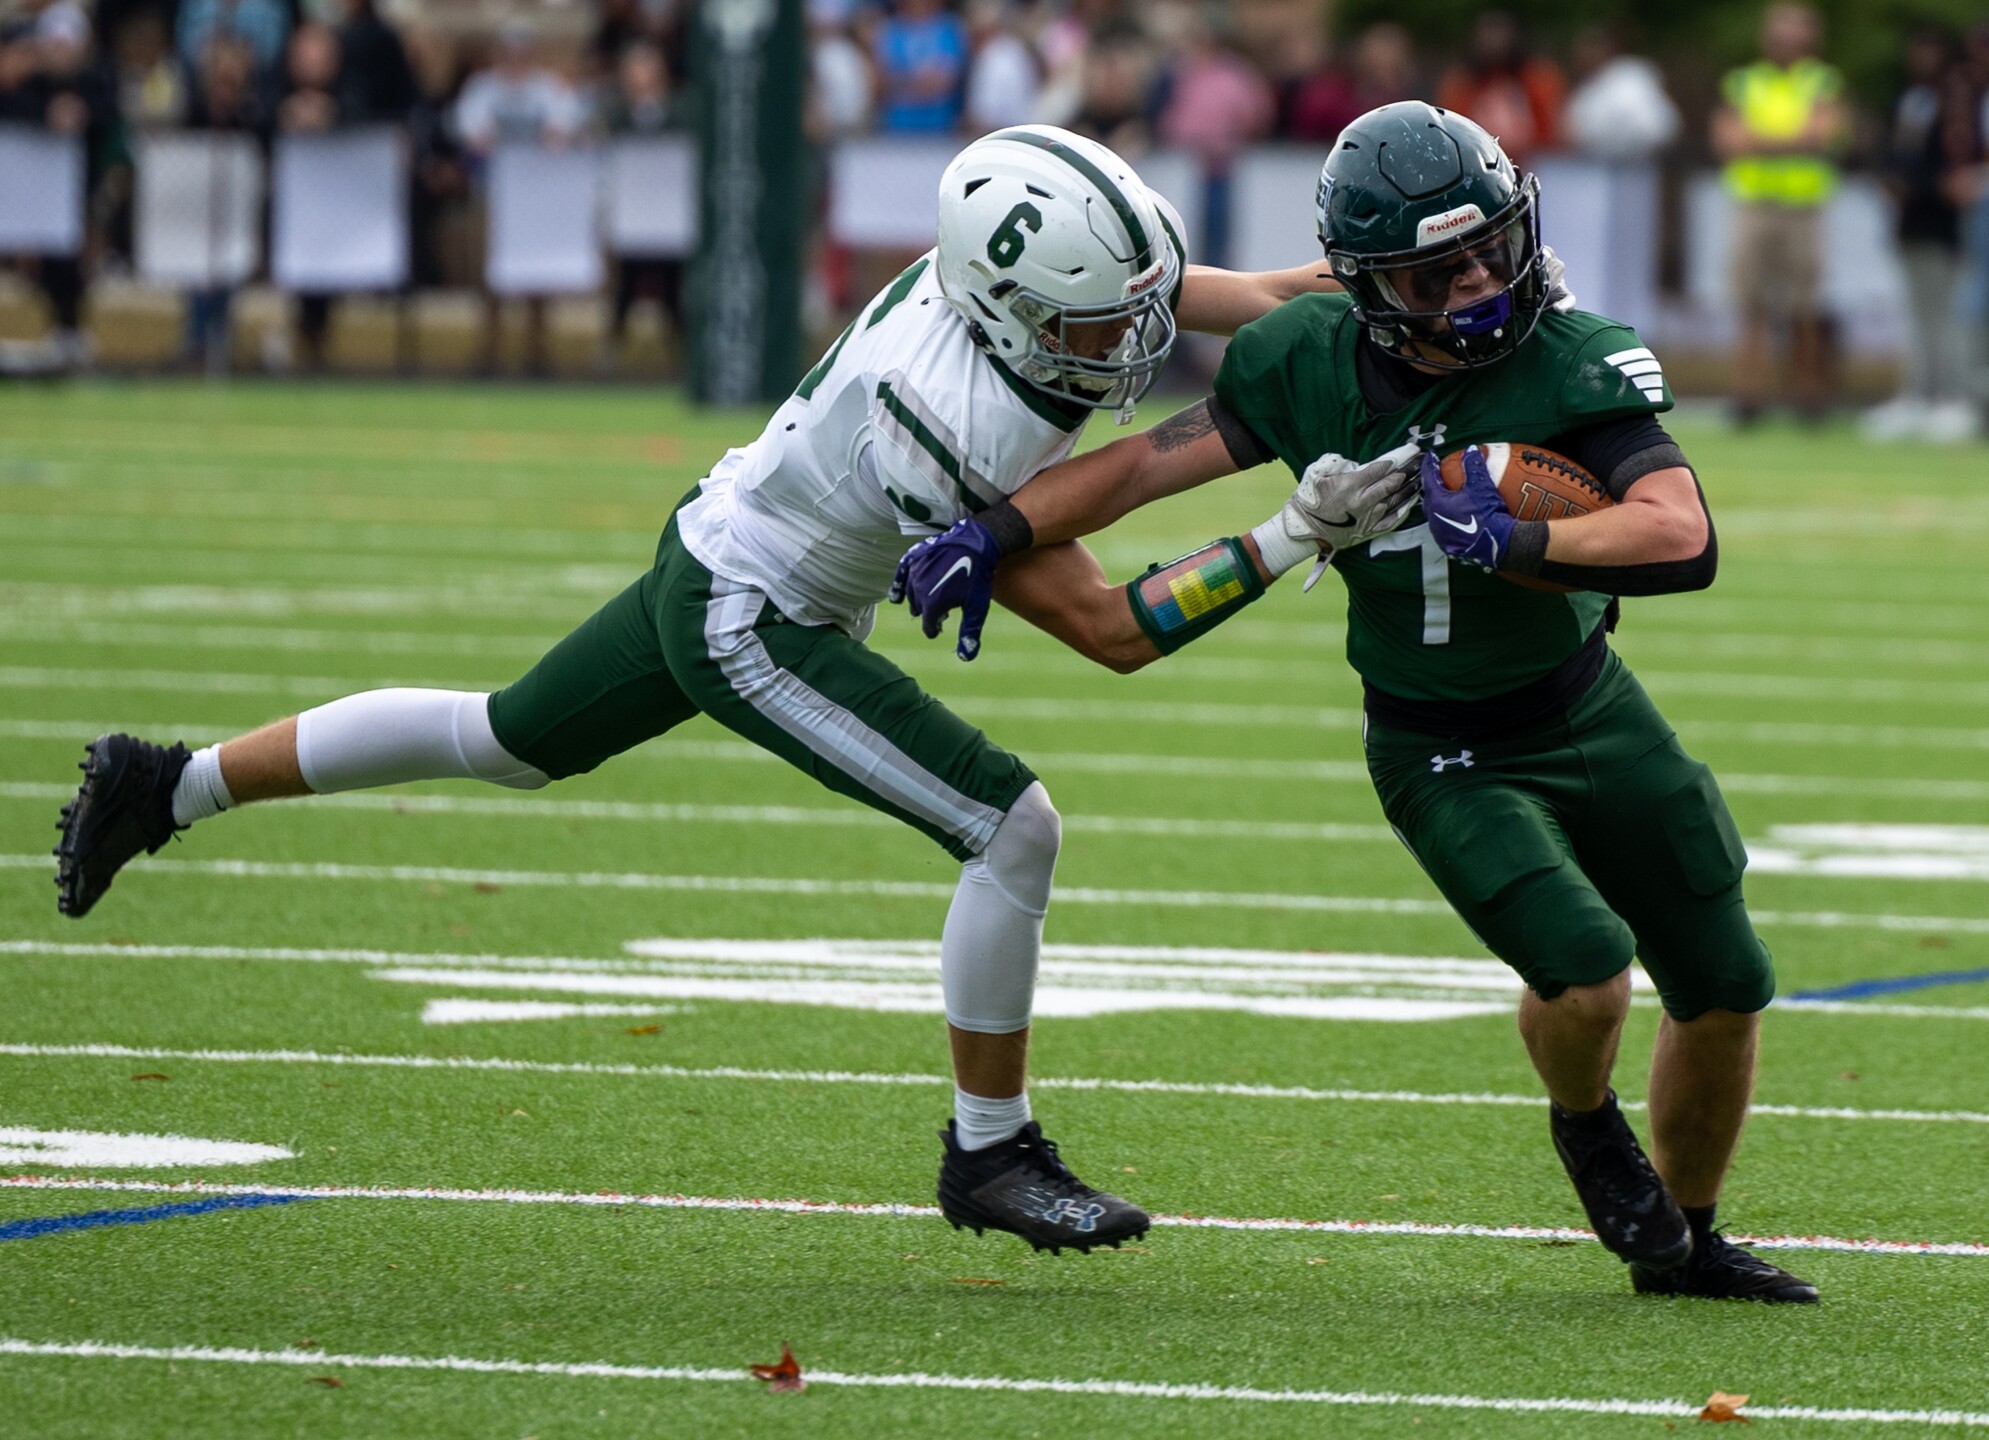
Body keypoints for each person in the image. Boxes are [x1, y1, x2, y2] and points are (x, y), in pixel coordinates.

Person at [52, 124, 1360, 1258]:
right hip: (752, 613)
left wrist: (1371, 296)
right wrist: (1285, 526)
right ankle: (991, 1150)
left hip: (726, 532)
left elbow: (1205, 294)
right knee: (1011, 827)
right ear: (1013, 306)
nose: (1130, 337)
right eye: (1099, 321)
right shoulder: (950, 423)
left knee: (504, 737)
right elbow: (1107, 623)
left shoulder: (1001, 285)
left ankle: (166, 783)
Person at [893, 103, 1816, 1305]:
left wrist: (1522, 536)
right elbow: (1144, 465)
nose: (1482, 280)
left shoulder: (1574, 357)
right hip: (1442, 745)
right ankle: (1587, 1126)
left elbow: (1679, 533)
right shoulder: (1308, 360)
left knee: (1728, 979)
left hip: (1590, 704)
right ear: (1376, 282)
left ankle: (1687, 1243)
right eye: (1440, 270)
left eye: (1492, 246)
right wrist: (997, 525)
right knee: (1589, 976)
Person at [1711, 2, 1847, 425]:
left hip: (1803, 208)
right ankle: (1748, 395)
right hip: (1754, 206)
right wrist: (1793, 141)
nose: (1786, 42)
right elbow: (1729, 140)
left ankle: (1808, 395)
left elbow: (1824, 132)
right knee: (1751, 303)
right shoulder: (1743, 82)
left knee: (1806, 305)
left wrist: (1761, 141)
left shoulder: (1822, 80)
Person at [1866, 27, 1974, 442]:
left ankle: (1951, 398)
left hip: (1945, 224)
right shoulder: (1908, 100)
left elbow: (1953, 167)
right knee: (1917, 315)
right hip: (1911, 222)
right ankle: (1915, 396)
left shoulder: (1957, 101)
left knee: (1947, 315)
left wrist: (1922, 185)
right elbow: (1895, 154)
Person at [1435, 11, 1564, 169]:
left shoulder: (1537, 78)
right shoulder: (1462, 84)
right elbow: (1452, 130)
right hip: (1479, 166)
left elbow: (1551, 131)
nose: (1494, 43)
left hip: (1532, 166)